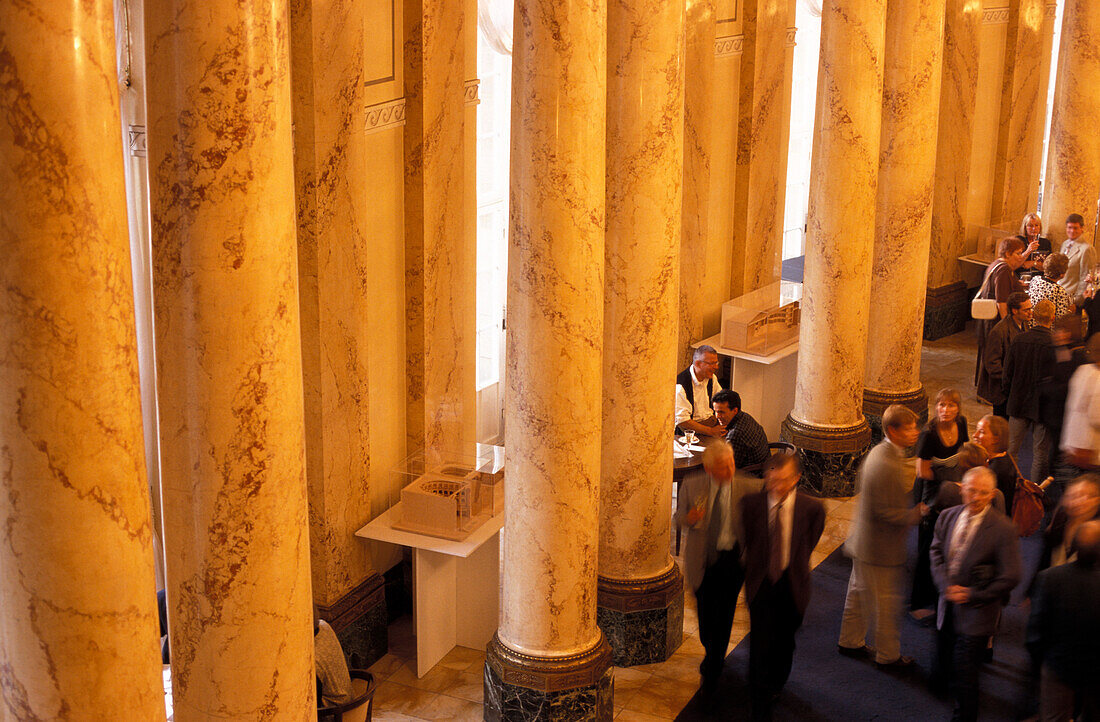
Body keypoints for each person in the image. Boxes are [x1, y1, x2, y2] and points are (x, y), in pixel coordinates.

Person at [930, 467, 1021, 722]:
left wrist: (971, 594)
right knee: (945, 657)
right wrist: (944, 585)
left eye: (983, 493)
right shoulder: (947, 516)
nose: (976, 497)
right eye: (972, 490)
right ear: (962, 489)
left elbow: (1011, 576)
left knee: (967, 676)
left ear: (992, 495)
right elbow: (935, 551)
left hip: (978, 616)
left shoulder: (1003, 529)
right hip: (946, 607)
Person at [838, 405, 926, 669]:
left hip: (864, 543)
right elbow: (885, 511)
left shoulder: (882, 452)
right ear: (892, 430)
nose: (915, 433)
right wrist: (915, 514)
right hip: (879, 548)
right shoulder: (886, 462)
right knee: (887, 605)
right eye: (909, 428)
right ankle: (889, 656)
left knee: (857, 595)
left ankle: (849, 641)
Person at [740, 452, 825, 721]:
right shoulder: (750, 504)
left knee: (784, 643)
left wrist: (791, 564)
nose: (776, 486)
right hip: (761, 585)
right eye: (772, 480)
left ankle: (777, 684)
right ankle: (759, 704)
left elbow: (808, 543)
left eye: (783, 480)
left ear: (797, 478)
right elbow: (749, 541)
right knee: (759, 646)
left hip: (792, 585)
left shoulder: (811, 508)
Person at [674, 441, 759, 694]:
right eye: (723, 467)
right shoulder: (693, 484)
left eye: (731, 464)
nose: (730, 470)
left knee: (724, 615)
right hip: (703, 561)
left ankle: (713, 667)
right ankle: (712, 651)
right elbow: (676, 518)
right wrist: (687, 519)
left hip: (733, 562)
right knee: (705, 617)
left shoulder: (749, 486)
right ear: (710, 470)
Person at [1026, 520, 1100, 722]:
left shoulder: (1050, 577)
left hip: (1058, 666)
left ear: (1074, 546)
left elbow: (1035, 632)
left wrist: (1043, 661)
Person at [911, 389, 970, 617]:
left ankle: (938, 591)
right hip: (931, 493)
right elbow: (922, 471)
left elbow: (963, 453)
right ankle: (917, 603)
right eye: (941, 405)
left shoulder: (962, 423)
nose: (945, 410)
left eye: (950, 405)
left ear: (958, 408)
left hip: (952, 490)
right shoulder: (929, 434)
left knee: (947, 544)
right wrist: (951, 484)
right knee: (928, 547)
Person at [1003, 299, 1057, 483]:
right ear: (1053, 317)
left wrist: (1008, 394)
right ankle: (1035, 491)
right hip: (1043, 407)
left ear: (1033, 315)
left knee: (1011, 450)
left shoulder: (1019, 340)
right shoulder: (1055, 345)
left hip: (1018, 401)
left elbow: (1007, 373)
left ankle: (1012, 486)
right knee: (1040, 453)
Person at [976, 292, 1033, 418]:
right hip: (1002, 392)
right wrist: (1010, 380)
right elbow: (991, 364)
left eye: (1031, 308)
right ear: (1014, 311)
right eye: (1026, 310)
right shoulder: (999, 331)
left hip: (1015, 389)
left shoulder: (1024, 324)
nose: (1030, 312)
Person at [1038, 474, 1100, 572]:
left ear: (1096, 499)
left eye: (1082, 495)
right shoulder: (1060, 519)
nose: (1075, 502)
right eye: (1070, 496)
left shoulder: (1095, 533)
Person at [1060, 333, 1100, 476]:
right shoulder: (1098, 379)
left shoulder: (1082, 370)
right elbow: (1097, 418)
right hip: (1090, 450)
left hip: (1072, 443)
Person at [712, 389, 769, 472]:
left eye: (721, 412)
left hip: (752, 475)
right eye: (715, 411)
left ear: (735, 410)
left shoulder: (735, 434)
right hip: (765, 463)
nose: (717, 416)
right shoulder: (745, 416)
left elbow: (729, 468)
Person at [675, 345, 726, 438]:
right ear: (698, 364)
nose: (716, 367)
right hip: (691, 432)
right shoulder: (680, 386)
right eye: (712, 363)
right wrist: (711, 431)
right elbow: (683, 421)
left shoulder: (711, 378)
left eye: (716, 362)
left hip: (712, 422)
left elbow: (721, 400)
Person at [974, 413, 1019, 514]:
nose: (974, 435)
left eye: (981, 432)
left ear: (995, 439)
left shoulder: (994, 471)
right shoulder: (1005, 456)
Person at [1057, 213, 1096, 309]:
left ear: (1082, 228)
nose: (1072, 231)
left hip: (1072, 298)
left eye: (1075, 228)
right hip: (1059, 294)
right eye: (1069, 227)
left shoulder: (1086, 249)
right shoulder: (1064, 244)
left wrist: (1077, 301)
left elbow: (1086, 278)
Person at [1028, 253, 1075, 320]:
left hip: (1032, 324)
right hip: (1047, 328)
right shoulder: (1058, 290)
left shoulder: (1035, 279)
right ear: (1062, 274)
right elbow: (1060, 318)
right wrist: (1070, 311)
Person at [1017, 213, 1053, 277]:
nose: (1034, 228)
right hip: (1021, 277)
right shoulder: (1018, 241)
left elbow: (1048, 267)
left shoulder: (1045, 243)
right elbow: (1015, 262)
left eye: (1036, 225)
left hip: (1040, 279)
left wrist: (1033, 263)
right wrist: (1028, 251)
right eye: (1030, 226)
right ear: (1025, 227)